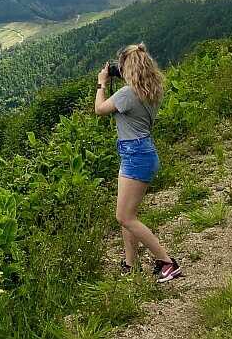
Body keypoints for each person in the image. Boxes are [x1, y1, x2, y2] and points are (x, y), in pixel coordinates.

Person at [94, 43, 182, 283]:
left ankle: (167, 262)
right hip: (141, 152)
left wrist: (102, 82)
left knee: (124, 217)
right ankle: (130, 264)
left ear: (127, 69)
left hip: (135, 155)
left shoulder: (126, 94)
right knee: (127, 213)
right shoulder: (151, 90)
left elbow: (100, 109)